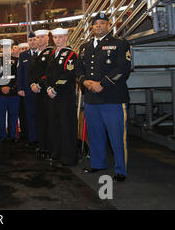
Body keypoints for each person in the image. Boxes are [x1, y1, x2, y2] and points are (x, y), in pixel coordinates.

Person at [76, 12, 132, 182]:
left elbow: (123, 69)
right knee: (95, 134)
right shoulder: (84, 47)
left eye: (102, 23)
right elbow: (79, 70)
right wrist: (85, 82)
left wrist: (102, 84)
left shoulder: (120, 44)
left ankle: (120, 170)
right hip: (92, 99)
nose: (98, 25)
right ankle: (97, 163)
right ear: (91, 27)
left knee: (117, 137)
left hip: (113, 98)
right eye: (96, 23)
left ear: (109, 25)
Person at [44, 28, 78, 166]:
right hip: (52, 94)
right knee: (54, 124)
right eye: (55, 37)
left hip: (64, 95)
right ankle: (56, 152)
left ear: (66, 38)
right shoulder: (52, 54)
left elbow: (68, 75)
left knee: (66, 125)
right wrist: (48, 87)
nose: (57, 40)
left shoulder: (71, 55)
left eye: (60, 37)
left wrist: (55, 89)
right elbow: (46, 74)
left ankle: (69, 156)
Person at [29, 29, 55, 159]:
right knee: (39, 119)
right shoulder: (35, 54)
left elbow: (49, 72)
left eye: (42, 37)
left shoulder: (51, 52)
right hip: (36, 92)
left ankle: (50, 148)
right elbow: (31, 73)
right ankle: (42, 145)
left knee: (49, 120)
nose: (39, 39)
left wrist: (39, 84)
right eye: (37, 37)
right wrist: (32, 84)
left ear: (48, 38)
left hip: (47, 91)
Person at [17, 32, 38, 146]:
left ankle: (41, 138)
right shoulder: (23, 55)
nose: (32, 42)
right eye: (30, 40)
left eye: (34, 39)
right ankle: (32, 139)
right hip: (27, 90)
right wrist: (20, 88)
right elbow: (20, 73)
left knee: (40, 115)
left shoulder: (42, 53)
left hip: (40, 90)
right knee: (29, 115)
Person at [0, 39, 20, 142]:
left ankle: (13, 135)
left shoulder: (16, 61)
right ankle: (1, 135)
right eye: (4, 48)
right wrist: (1, 88)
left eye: (8, 48)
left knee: (13, 116)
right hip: (0, 94)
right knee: (0, 116)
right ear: (1, 49)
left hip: (13, 94)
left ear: (11, 49)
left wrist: (11, 88)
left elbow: (19, 77)